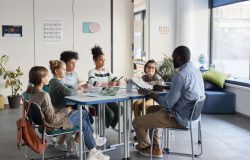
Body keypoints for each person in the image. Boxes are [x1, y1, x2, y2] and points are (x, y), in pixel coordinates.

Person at [132, 46, 205, 158]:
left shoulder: (180, 75)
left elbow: (167, 104)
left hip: (179, 118)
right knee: (150, 109)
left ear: (179, 58)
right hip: (193, 117)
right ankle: (156, 146)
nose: (172, 60)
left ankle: (146, 147)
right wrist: (164, 87)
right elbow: (185, 89)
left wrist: (149, 93)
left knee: (136, 122)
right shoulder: (196, 72)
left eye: (173, 57)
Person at [48, 60, 110, 160]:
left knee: (85, 114)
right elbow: (69, 91)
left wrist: (76, 87)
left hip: (61, 114)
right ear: (56, 71)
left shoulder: (56, 82)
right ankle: (93, 151)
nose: (65, 71)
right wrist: (78, 89)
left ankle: (93, 137)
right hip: (60, 118)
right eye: (63, 69)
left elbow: (67, 88)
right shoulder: (55, 82)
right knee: (83, 123)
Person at [88, 45, 122, 129]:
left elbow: (115, 78)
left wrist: (118, 81)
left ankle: (108, 127)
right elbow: (93, 83)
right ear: (95, 60)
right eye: (100, 60)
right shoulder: (91, 72)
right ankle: (102, 129)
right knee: (110, 114)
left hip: (107, 97)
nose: (103, 62)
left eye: (104, 60)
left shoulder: (107, 71)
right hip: (96, 99)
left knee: (120, 110)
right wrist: (108, 83)